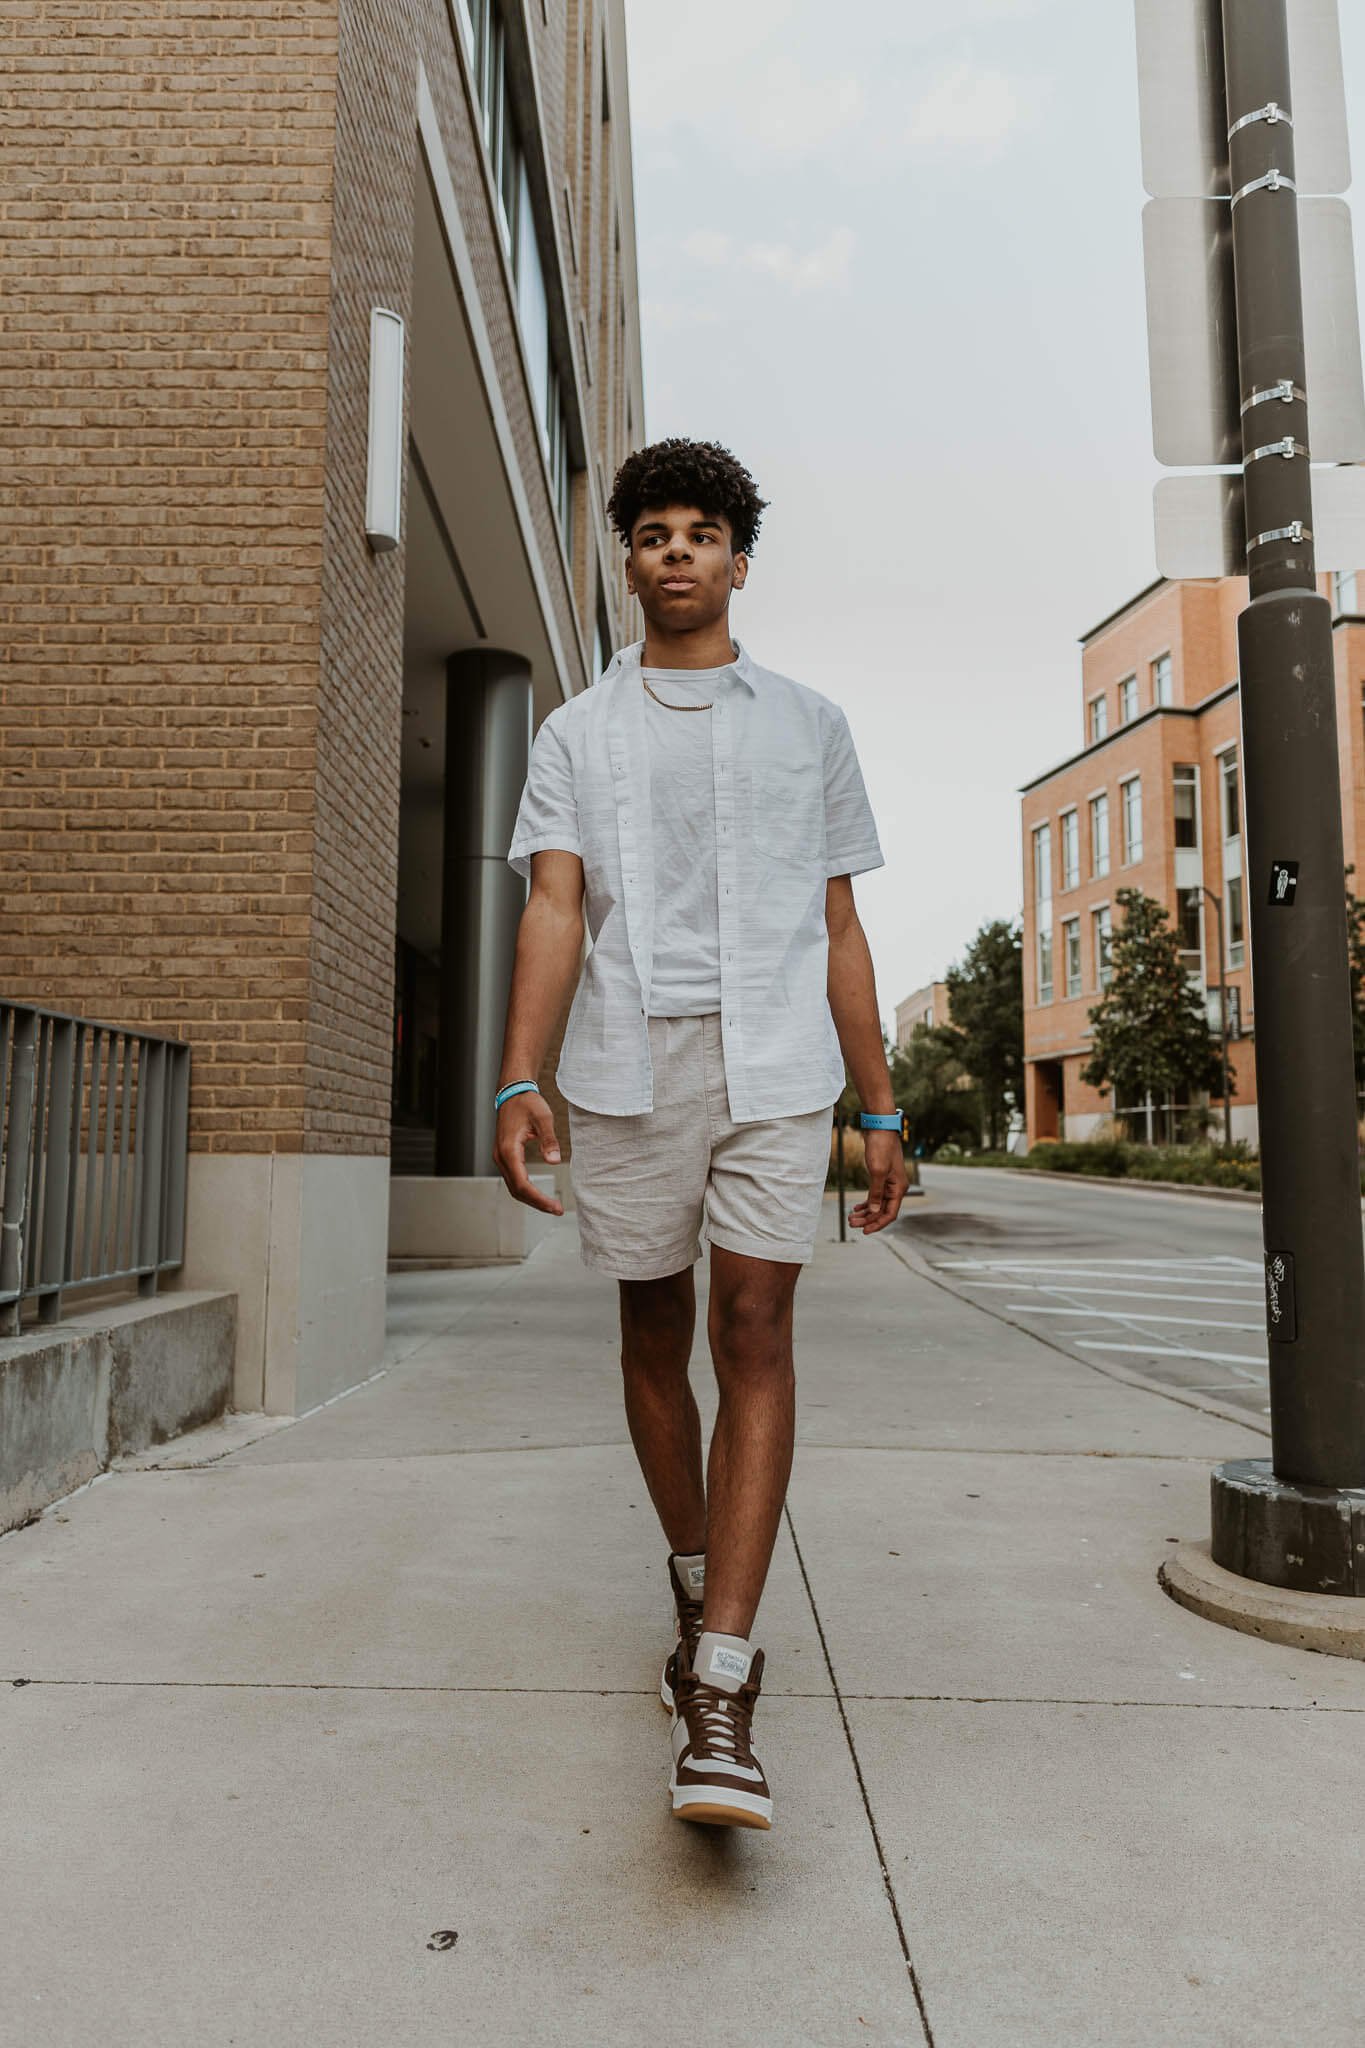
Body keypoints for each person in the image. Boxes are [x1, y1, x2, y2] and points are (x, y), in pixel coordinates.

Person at [493, 437, 907, 1830]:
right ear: (628, 559)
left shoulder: (809, 723)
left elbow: (839, 928)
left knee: (756, 1332)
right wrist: (515, 1074)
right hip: (623, 1068)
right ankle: (691, 1577)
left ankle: (721, 1680)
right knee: (650, 1336)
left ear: (738, 559)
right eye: (651, 533)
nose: (674, 552)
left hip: (780, 1065)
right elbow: (554, 907)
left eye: (699, 533)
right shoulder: (575, 735)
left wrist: (881, 1101)